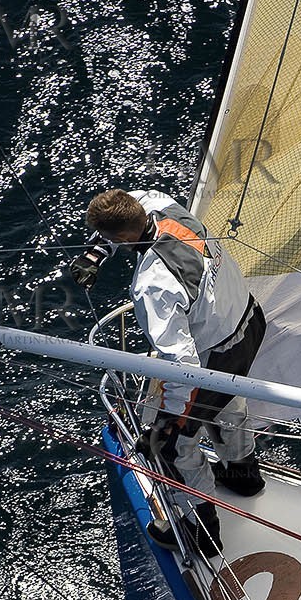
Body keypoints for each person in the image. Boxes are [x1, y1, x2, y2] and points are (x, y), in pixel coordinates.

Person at [71, 188, 266, 558]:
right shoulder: (164, 206)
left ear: (123, 237)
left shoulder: (152, 286)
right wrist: (97, 252)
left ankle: (201, 531)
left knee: (170, 446)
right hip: (249, 322)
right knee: (224, 400)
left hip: (215, 353)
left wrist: (170, 424)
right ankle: (243, 476)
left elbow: (183, 366)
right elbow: (134, 202)